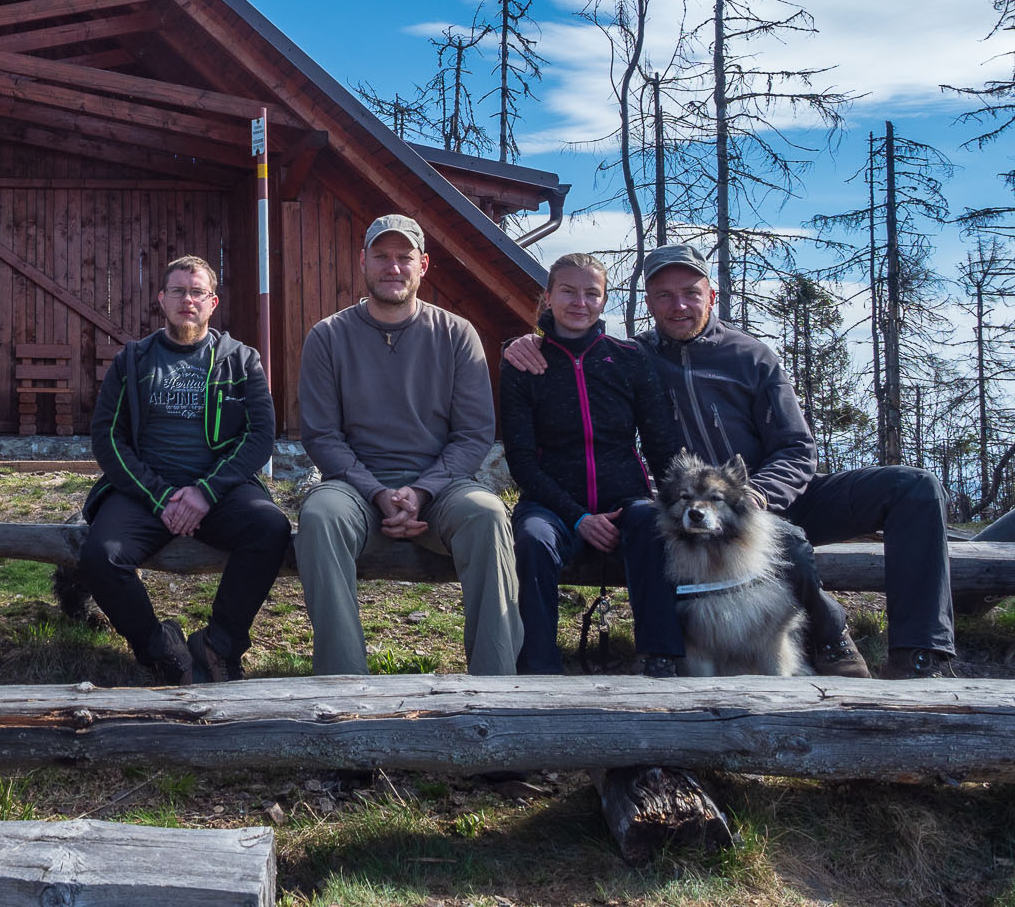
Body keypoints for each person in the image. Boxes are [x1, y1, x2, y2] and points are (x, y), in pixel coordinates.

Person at [505, 243, 952, 678]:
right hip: (709, 510)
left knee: (913, 486)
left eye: (691, 293)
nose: (678, 306)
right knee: (788, 542)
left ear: (711, 296)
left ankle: (919, 654)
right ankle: (831, 637)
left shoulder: (749, 355)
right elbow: (575, 351)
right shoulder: (636, 357)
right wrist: (523, 341)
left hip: (776, 494)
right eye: (664, 296)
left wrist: (757, 494)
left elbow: (797, 448)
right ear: (649, 304)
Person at [295, 214, 521, 676]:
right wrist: (376, 492)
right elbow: (321, 435)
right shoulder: (328, 336)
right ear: (363, 262)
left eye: (404, 258)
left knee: (489, 514)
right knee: (319, 516)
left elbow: (473, 433)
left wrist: (422, 491)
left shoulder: (458, 335)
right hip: (354, 490)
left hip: (442, 490)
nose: (392, 268)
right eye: (382, 256)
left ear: (424, 265)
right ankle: (343, 684)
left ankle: (496, 684)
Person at [80, 255, 287, 684]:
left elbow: (260, 437)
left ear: (213, 301)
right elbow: (107, 438)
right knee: (101, 556)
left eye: (196, 292)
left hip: (221, 492)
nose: (187, 300)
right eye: (177, 291)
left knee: (270, 528)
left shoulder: (241, 360)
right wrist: (160, 497)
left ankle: (218, 646)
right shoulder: (133, 361)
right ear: (161, 299)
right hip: (145, 494)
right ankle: (160, 650)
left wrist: (204, 493)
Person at [501, 252, 683, 675]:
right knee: (531, 540)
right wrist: (579, 517)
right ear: (547, 297)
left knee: (653, 526)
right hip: (551, 505)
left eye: (591, 293)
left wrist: (677, 497)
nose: (579, 302)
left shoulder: (629, 358)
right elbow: (522, 461)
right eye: (567, 291)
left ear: (604, 301)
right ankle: (539, 669)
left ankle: (662, 658)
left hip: (625, 501)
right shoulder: (523, 364)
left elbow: (661, 445)